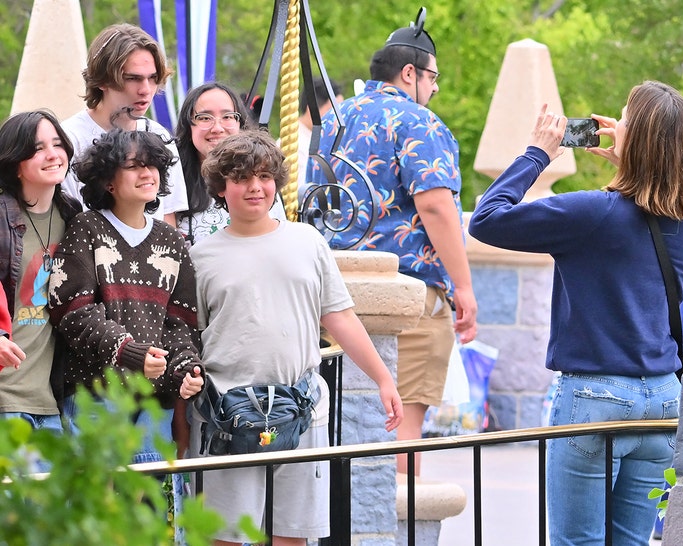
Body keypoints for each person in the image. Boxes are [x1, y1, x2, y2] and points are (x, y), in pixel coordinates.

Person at [467, 81, 683, 546]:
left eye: (625, 121)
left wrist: (536, 153)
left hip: (596, 401)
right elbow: (650, 198)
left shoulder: (591, 214)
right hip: (662, 402)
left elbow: (486, 218)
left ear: (635, 141)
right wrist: (634, 161)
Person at [189, 130, 403, 546]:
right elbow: (191, 339)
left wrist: (382, 378)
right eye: (242, 178)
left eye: (265, 176)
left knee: (294, 534)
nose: (255, 187)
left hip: (302, 407)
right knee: (226, 537)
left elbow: (339, 316)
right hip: (226, 415)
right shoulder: (200, 257)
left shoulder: (308, 241)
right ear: (221, 186)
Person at [309, 8, 477, 476]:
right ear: (410, 73)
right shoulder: (418, 121)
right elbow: (437, 206)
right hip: (406, 298)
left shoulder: (332, 122)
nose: (437, 87)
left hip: (334, 296)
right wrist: (463, 286)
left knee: (342, 428)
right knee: (400, 430)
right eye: (433, 77)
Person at [47, 129, 205, 466]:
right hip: (96, 400)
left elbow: (181, 326)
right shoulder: (85, 228)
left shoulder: (172, 242)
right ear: (108, 181)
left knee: (148, 511)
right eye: (134, 166)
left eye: (153, 165)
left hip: (153, 406)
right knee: (98, 510)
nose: (147, 173)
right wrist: (128, 351)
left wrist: (185, 370)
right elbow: (72, 312)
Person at [0, 110, 82, 438]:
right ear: (14, 161)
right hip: (5, 398)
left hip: (48, 405)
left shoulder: (73, 217)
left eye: (57, 143)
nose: (52, 154)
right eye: (37, 148)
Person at [61, 23, 188, 227]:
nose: (146, 90)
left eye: (153, 78)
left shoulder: (158, 135)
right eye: (133, 78)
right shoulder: (67, 139)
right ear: (102, 80)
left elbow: (168, 218)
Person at [175, 81, 285, 246]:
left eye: (227, 117)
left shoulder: (261, 184)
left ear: (240, 124)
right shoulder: (172, 181)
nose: (217, 128)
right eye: (205, 118)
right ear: (188, 125)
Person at [295, 76, 343, 202]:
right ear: (312, 108)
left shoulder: (322, 139)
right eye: (332, 111)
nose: (338, 118)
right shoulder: (295, 143)